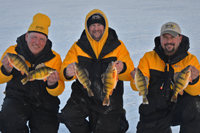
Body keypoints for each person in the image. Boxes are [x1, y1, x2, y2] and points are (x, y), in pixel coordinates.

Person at [58, 9, 134, 133]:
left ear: (105, 26)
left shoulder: (118, 46)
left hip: (109, 96)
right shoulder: (78, 46)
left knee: (104, 129)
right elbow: (64, 69)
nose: (96, 28)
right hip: (83, 94)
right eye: (92, 25)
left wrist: (123, 68)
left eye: (99, 25)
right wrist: (67, 72)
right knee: (68, 116)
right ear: (87, 28)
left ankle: (119, 120)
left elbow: (129, 71)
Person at [130, 22, 200, 133]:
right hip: (153, 112)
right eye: (165, 37)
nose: (169, 41)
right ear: (160, 38)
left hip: (178, 108)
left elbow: (196, 91)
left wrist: (195, 80)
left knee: (197, 105)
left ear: (180, 39)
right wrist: (136, 79)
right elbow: (137, 87)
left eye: (172, 37)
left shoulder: (190, 60)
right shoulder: (148, 57)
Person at [0, 13, 65, 133]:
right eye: (34, 37)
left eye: (42, 39)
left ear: (46, 41)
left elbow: (59, 89)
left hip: (45, 103)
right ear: (26, 36)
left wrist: (52, 84)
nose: (37, 42)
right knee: (8, 120)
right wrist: (7, 69)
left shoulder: (54, 58)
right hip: (17, 99)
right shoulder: (12, 52)